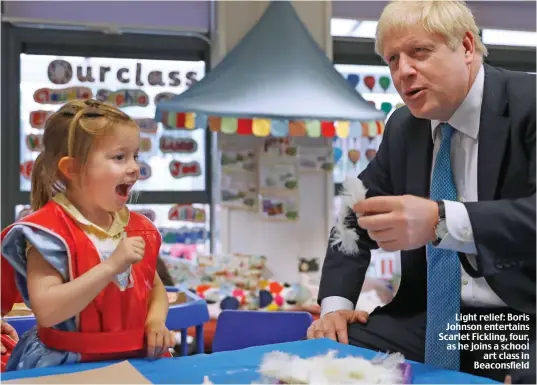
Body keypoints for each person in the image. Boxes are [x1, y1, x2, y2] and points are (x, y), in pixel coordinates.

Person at [309, 1, 535, 384]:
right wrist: (335, 307)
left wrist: (441, 221)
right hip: (430, 317)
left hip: (523, 320)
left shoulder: (531, 102)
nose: (403, 72)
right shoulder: (403, 126)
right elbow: (353, 212)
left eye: (419, 52)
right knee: (327, 360)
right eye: (392, 59)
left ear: (466, 46)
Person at [1, 99, 175, 370]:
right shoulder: (48, 235)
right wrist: (111, 266)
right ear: (72, 169)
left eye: (135, 156)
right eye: (119, 157)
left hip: (137, 360)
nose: (134, 168)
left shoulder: (136, 227)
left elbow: (154, 288)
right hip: (65, 364)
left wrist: (155, 320)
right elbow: (47, 311)